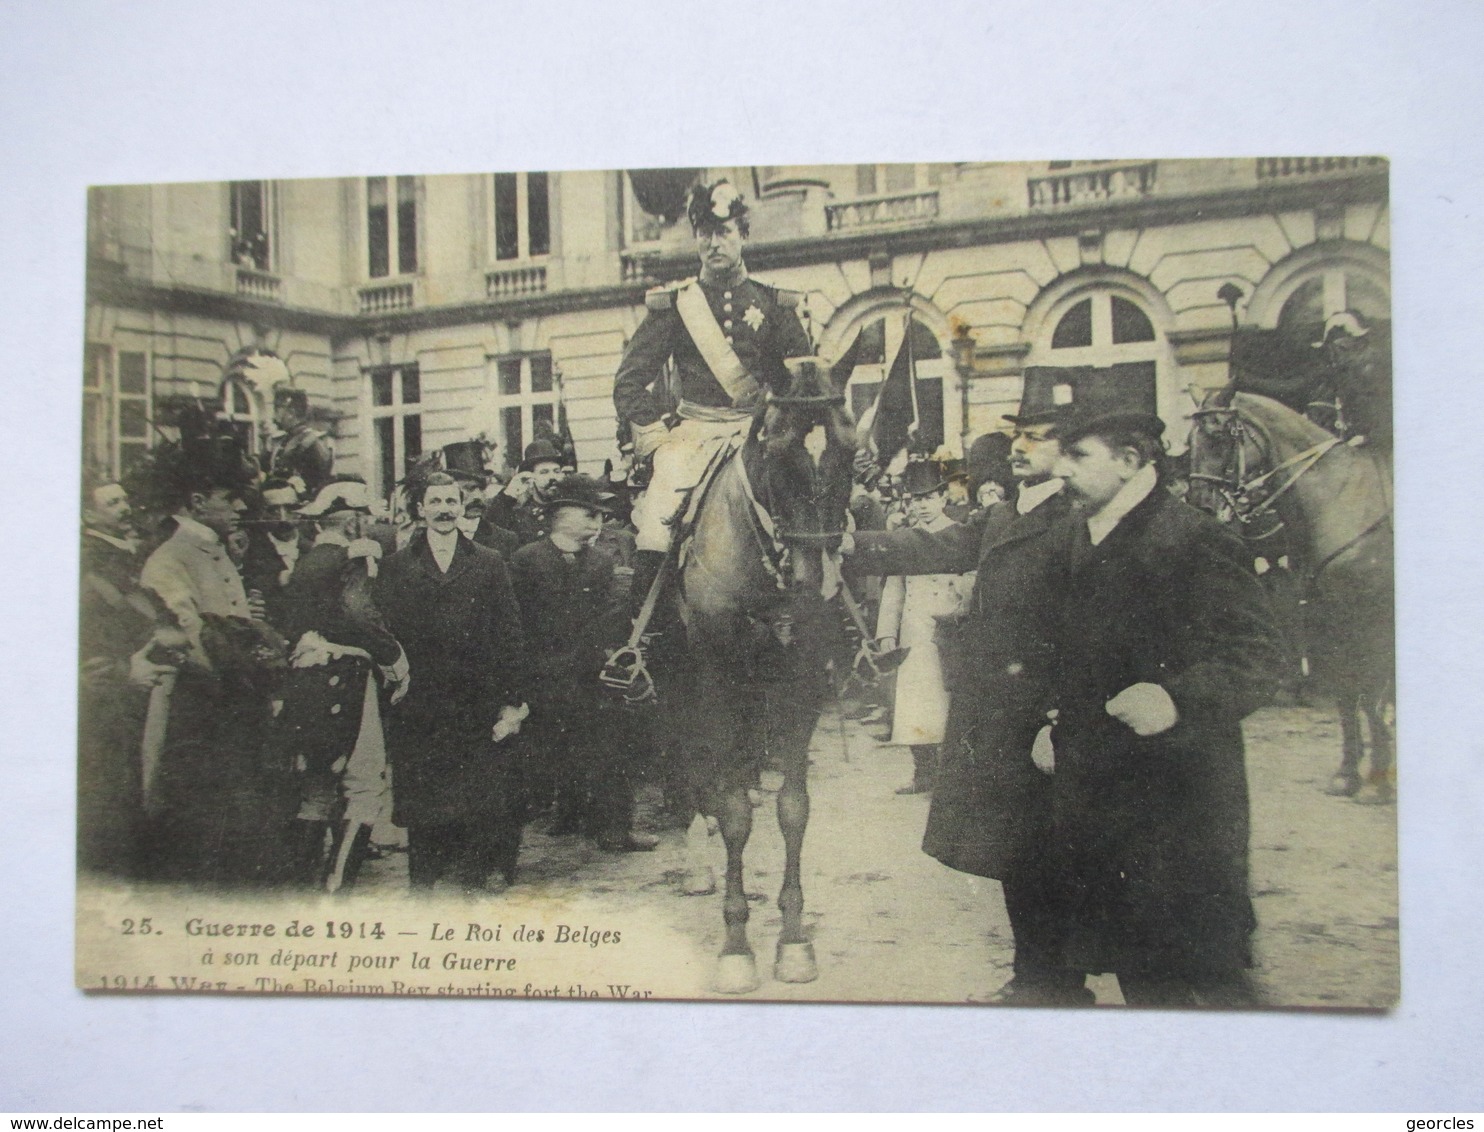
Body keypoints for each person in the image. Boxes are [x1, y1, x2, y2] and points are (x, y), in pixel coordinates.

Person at [844, 372, 1085, 1004]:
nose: (1019, 447)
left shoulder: (1077, 519)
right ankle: (1037, 977)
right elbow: (936, 544)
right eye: (1019, 436)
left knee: (1050, 852)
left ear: (1073, 451)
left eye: (1037, 438)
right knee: (1015, 851)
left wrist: (1062, 712)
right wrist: (853, 544)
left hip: (1043, 715)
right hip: (998, 713)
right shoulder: (1007, 514)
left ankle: (1056, 982)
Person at [1041, 391, 1284, 1006]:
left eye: (1076, 455)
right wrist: (1054, 719)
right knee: (1139, 976)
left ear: (1129, 459)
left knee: (1199, 986)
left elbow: (1257, 656)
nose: (1058, 469)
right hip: (1102, 800)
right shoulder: (1076, 535)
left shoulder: (1192, 538)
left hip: (1182, 804)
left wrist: (1177, 699)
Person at [612, 179, 812, 612]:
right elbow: (628, 381)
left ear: (744, 234)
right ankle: (642, 629)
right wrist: (656, 437)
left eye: (724, 232)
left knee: (817, 505)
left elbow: (803, 382)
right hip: (695, 434)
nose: (713, 243)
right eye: (705, 233)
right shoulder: (677, 305)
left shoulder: (775, 304)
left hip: (760, 431)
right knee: (658, 516)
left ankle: (836, 619)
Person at [137, 442, 289, 884]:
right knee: (204, 818)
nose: (241, 505)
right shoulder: (170, 559)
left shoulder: (214, 548)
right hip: (200, 711)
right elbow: (188, 640)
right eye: (229, 496)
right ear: (198, 503)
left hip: (236, 706)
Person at [376, 471, 529, 892]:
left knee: (478, 788)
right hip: (420, 697)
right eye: (435, 502)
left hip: (476, 695)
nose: (444, 510)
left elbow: (510, 631)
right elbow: (384, 634)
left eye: (451, 502)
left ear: (462, 508)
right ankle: (423, 877)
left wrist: (512, 698)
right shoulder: (395, 567)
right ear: (420, 510)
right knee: (424, 787)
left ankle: (476, 873)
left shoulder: (488, 561)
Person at [272, 478, 409, 892]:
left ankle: (298, 891)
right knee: (365, 784)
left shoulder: (305, 563)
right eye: (362, 518)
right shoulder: (348, 562)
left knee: (316, 787)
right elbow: (359, 614)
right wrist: (393, 658)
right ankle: (335, 891)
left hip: (304, 677)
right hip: (347, 677)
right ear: (351, 522)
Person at [508, 475, 658, 852]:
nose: (597, 521)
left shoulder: (602, 562)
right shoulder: (527, 560)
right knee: (547, 751)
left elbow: (611, 617)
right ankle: (562, 816)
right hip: (544, 677)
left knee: (610, 748)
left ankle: (614, 829)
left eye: (601, 515)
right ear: (560, 514)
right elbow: (517, 622)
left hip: (593, 675)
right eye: (589, 513)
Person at [871, 458, 973, 796]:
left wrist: (963, 600)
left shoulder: (960, 535)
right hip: (914, 630)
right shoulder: (906, 540)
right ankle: (923, 773)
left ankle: (952, 777)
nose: (923, 506)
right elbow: (894, 589)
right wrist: (886, 634)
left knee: (948, 704)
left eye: (929, 498)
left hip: (948, 628)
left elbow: (971, 579)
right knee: (916, 703)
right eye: (917, 499)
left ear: (943, 497)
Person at [485, 439, 566, 547]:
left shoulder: (569, 510)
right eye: (544, 472)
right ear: (530, 477)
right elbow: (491, 530)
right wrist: (508, 494)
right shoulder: (519, 516)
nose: (552, 477)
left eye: (556, 471)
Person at [268, 383, 335, 496]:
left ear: (291, 413)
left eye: (277, 410)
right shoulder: (283, 440)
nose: (274, 417)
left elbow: (320, 481)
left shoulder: (311, 441)